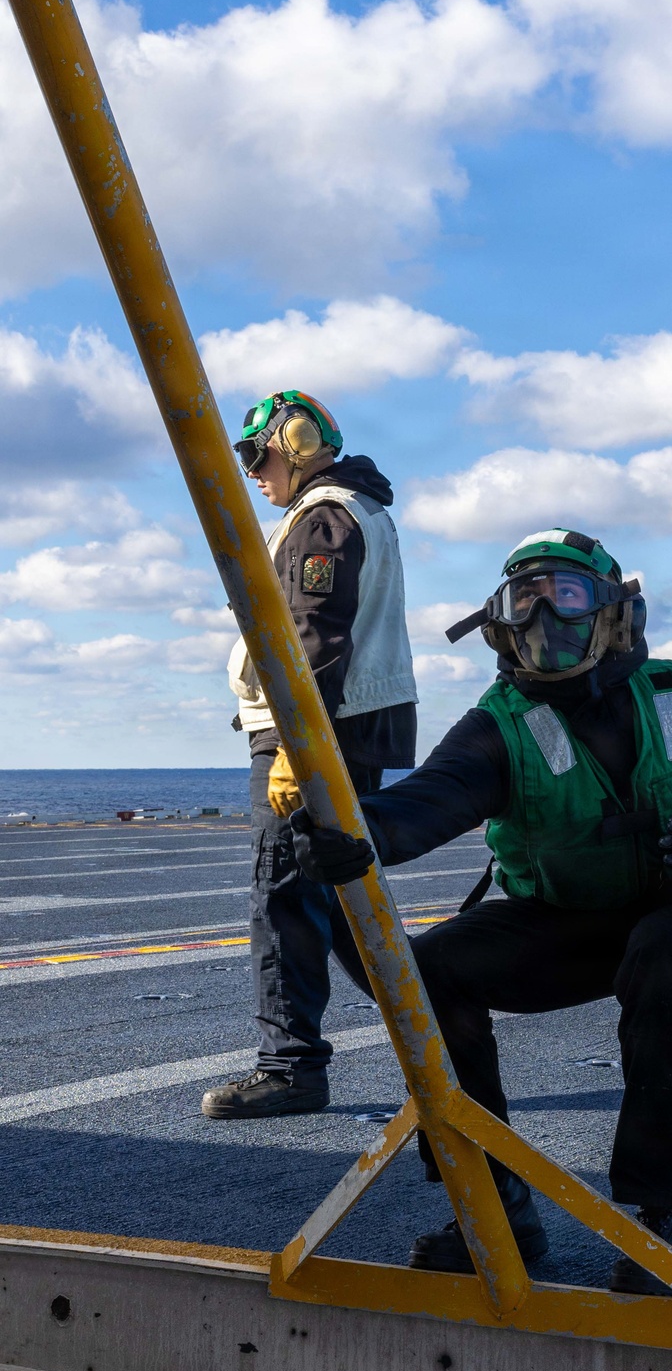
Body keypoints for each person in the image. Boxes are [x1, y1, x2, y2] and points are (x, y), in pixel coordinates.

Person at [290, 528, 672, 1288]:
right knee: (431, 973)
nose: (542, 620)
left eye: (563, 596)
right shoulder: (501, 724)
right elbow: (422, 806)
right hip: (566, 920)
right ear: (497, 620)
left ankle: (656, 1215)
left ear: (611, 612)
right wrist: (345, 831)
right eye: (521, 600)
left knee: (663, 961)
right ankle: (494, 1204)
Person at [201, 391, 418, 1120]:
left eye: (260, 456)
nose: (256, 474)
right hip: (346, 725)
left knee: (285, 896)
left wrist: (299, 744)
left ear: (294, 444)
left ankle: (290, 1067)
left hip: (319, 729)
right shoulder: (355, 508)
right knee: (342, 898)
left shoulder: (324, 516)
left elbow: (314, 637)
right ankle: (435, 1027)